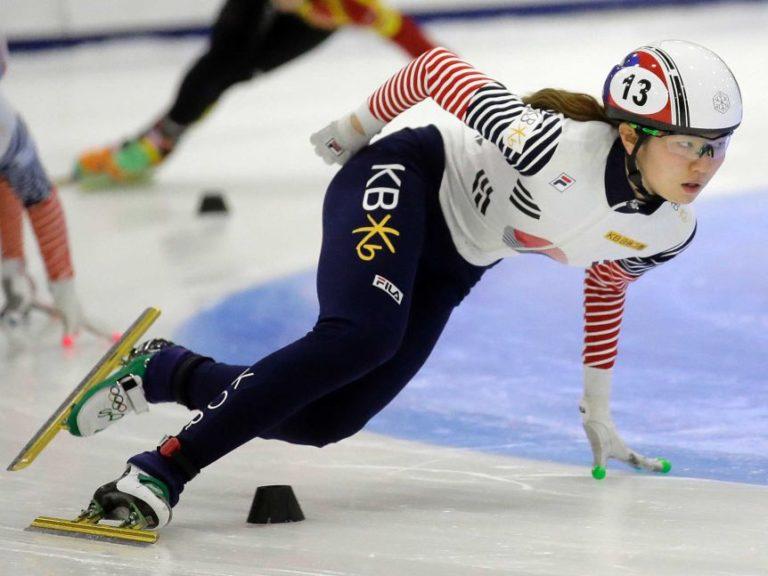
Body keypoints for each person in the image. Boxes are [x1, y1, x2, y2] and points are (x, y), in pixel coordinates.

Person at [66, 40, 741, 530]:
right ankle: (162, 469)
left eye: (716, 146)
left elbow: (607, 284)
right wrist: (356, 128)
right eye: (687, 144)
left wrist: (598, 407)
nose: (704, 164)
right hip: (405, 177)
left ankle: (165, 371)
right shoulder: (549, 146)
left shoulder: (668, 231)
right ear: (631, 134)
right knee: (362, 335)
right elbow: (435, 68)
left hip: (457, 262)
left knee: (327, 420)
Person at [72, 0, 437, 186]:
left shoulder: (351, 7)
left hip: (311, 21)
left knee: (236, 72)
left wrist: (446, 72)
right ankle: (155, 142)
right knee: (222, 61)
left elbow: (407, 36)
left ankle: (157, 141)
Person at [0, 38, 85, 341]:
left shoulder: (8, 134)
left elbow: (38, 198)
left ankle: (13, 277)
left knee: (11, 172)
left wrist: (64, 287)